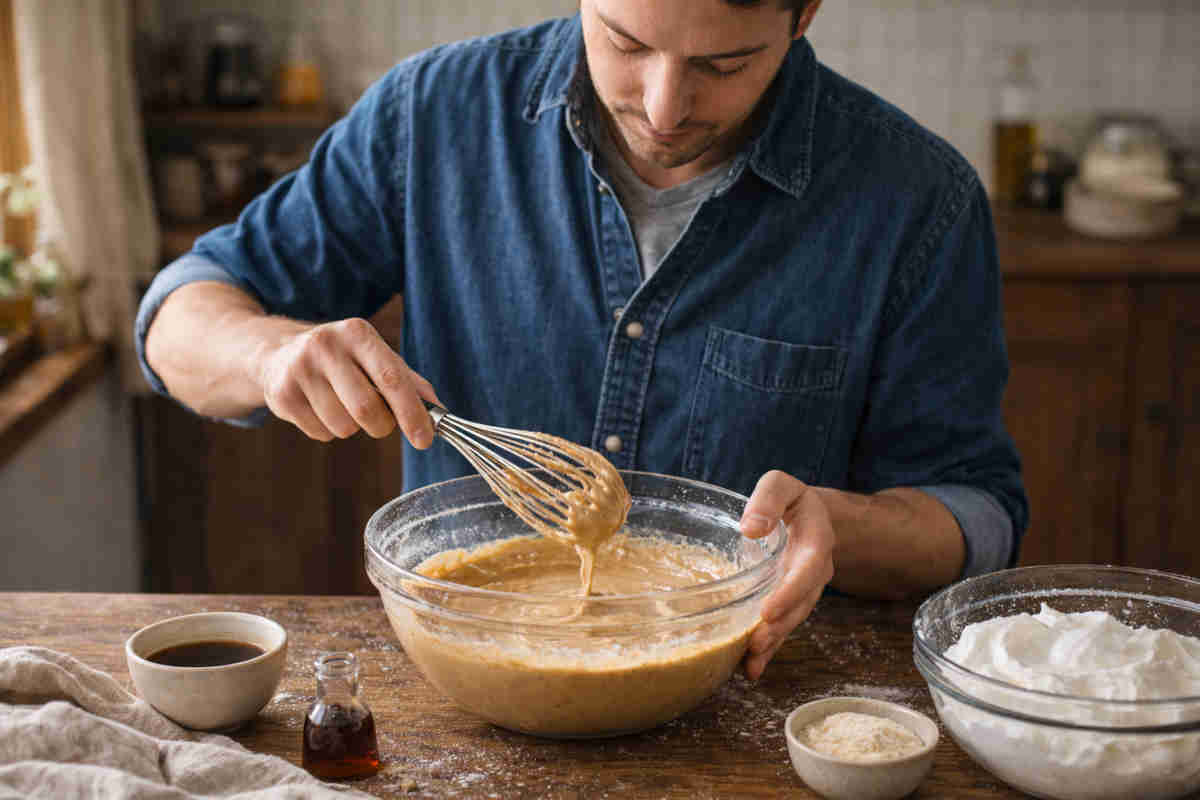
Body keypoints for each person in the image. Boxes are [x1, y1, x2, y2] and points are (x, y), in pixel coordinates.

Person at [136, 0, 1028, 680]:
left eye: (724, 63)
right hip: (463, 692)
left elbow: (976, 516)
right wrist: (267, 355)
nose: (664, 106)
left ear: (804, 14)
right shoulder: (433, 118)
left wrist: (840, 524)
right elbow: (177, 318)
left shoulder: (916, 200)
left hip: (748, 702)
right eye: (626, 43)